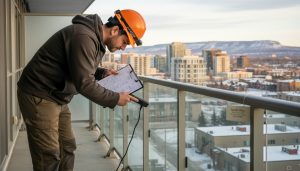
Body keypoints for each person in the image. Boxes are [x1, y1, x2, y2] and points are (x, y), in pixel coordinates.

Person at [17, 9, 146, 171]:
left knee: (67, 146)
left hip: (56, 95)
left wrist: (101, 72)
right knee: (48, 155)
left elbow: (77, 65)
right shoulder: (84, 37)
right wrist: (115, 98)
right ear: (114, 30)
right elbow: (84, 84)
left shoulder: (92, 38)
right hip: (40, 94)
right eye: (125, 41)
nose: (123, 48)